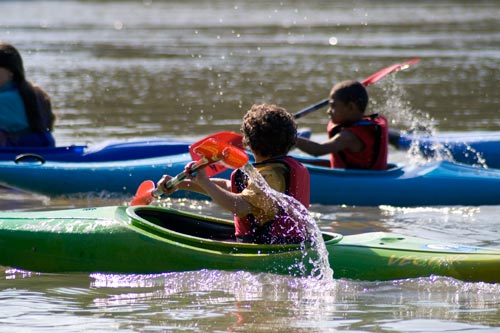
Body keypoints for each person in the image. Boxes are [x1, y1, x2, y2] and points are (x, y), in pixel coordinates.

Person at [157, 103, 311, 244]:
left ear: (248, 143)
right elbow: (231, 187)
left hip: (272, 247)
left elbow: (240, 207)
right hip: (280, 242)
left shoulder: (270, 175)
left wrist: (204, 180)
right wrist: (182, 184)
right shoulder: (271, 171)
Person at [295, 80, 388, 170]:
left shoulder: (348, 137)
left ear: (351, 107)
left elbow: (318, 149)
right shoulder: (364, 126)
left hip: (359, 181)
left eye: (333, 106)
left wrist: (290, 137)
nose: (328, 111)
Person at [0, 41, 56, 147]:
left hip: (21, 155)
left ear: (11, 72)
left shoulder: (6, 100)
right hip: (40, 150)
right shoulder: (35, 91)